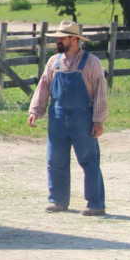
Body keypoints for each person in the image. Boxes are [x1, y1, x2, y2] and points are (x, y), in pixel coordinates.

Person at [26, 20, 108, 215]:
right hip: (57, 117)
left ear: (74, 39)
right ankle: (58, 201)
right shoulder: (54, 62)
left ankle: (96, 204)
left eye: (62, 38)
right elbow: (44, 86)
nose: (58, 42)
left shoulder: (91, 62)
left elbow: (100, 92)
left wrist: (98, 120)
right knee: (55, 160)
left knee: (89, 161)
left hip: (83, 119)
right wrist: (35, 110)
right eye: (58, 38)